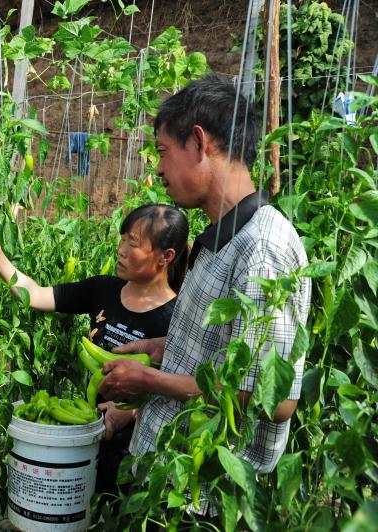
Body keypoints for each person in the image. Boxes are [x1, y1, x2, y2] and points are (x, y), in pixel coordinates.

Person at [99, 73, 311, 503]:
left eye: (163, 150)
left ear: (199, 143)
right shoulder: (221, 237)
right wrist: (166, 346)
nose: (158, 168)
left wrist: (149, 381)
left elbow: (272, 398)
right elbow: (228, 353)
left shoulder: (263, 249)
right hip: (174, 479)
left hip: (206, 495)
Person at [0, 203, 189, 491]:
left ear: (166, 256)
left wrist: (132, 411)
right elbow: (36, 295)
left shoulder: (178, 317)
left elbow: (182, 387)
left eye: (132, 243)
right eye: (122, 238)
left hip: (140, 449)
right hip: (90, 428)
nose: (121, 249)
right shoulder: (103, 289)